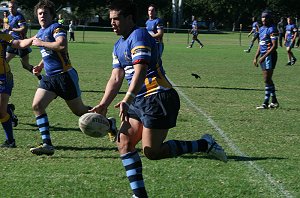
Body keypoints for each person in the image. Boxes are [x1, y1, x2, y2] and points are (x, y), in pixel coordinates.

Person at [90, 1, 227, 197]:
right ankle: (139, 195)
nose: (112, 23)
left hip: (158, 97)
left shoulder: (140, 35)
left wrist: (127, 99)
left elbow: (141, 69)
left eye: (116, 19)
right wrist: (104, 103)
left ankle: (204, 144)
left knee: (152, 152)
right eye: (110, 19)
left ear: (129, 18)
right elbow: (116, 77)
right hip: (139, 99)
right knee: (124, 143)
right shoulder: (118, 45)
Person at [25, 0, 116, 156]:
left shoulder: (56, 28)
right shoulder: (40, 32)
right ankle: (47, 144)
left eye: (45, 13)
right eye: (39, 13)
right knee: (37, 106)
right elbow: (48, 53)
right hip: (50, 78)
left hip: (64, 76)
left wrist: (41, 43)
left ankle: (108, 123)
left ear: (51, 15)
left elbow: (61, 46)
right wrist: (41, 65)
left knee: (80, 111)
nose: (42, 16)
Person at [0, 31, 33, 148]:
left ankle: (10, 141)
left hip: (3, 77)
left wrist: (35, 38)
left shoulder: (3, 37)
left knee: (0, 112)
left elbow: (19, 43)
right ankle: (8, 110)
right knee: (2, 110)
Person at [6, 1, 39, 79]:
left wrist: (12, 29)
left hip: (22, 43)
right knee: (4, 61)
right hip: (13, 43)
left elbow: (23, 29)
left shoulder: (19, 17)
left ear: (16, 7)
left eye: (13, 7)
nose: (11, 9)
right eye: (10, 7)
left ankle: (40, 77)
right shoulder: (9, 17)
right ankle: (6, 78)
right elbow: (8, 29)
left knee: (25, 65)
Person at [253, 11, 279, 110]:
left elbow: (274, 46)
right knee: (267, 79)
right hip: (263, 56)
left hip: (270, 56)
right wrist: (255, 56)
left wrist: (264, 57)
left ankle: (265, 103)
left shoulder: (272, 29)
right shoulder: (262, 29)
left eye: (265, 20)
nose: (263, 21)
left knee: (266, 79)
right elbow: (260, 44)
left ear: (269, 19)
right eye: (262, 20)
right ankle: (274, 101)